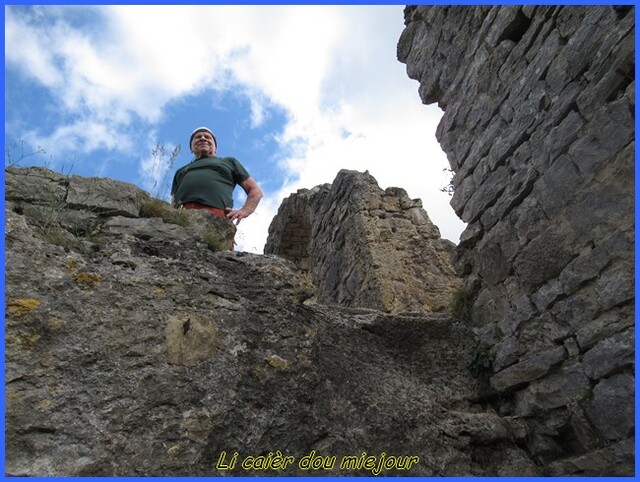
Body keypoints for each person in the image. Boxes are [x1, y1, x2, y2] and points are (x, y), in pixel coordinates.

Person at [171, 127, 263, 227]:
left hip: (216, 218)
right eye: (198, 137)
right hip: (181, 217)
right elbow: (173, 201)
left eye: (207, 137)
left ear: (216, 148)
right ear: (191, 149)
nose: (202, 138)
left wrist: (245, 210)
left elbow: (255, 190)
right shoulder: (181, 171)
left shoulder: (229, 162)